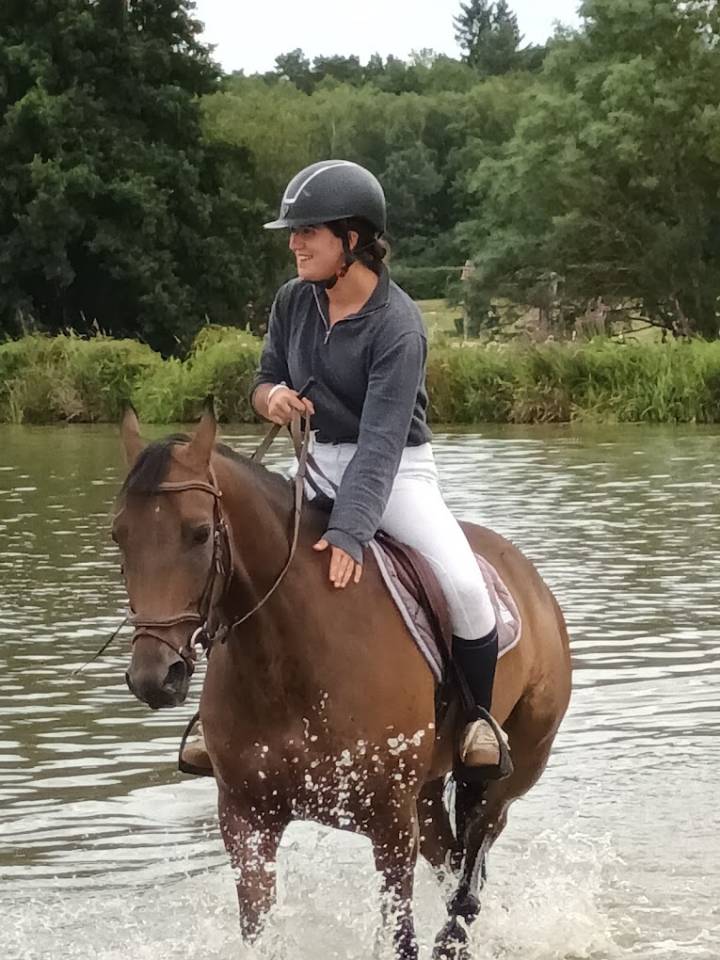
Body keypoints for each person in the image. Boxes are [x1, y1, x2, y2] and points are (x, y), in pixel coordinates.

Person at [249, 159, 509, 773]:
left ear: (353, 239)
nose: (294, 243)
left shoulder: (399, 326)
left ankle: (478, 721)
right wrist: (273, 401)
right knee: (239, 556)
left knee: (468, 589)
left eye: (308, 231)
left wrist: (349, 530)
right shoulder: (293, 301)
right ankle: (217, 716)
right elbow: (262, 380)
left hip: (397, 475)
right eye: (294, 232)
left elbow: (382, 444)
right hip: (314, 462)